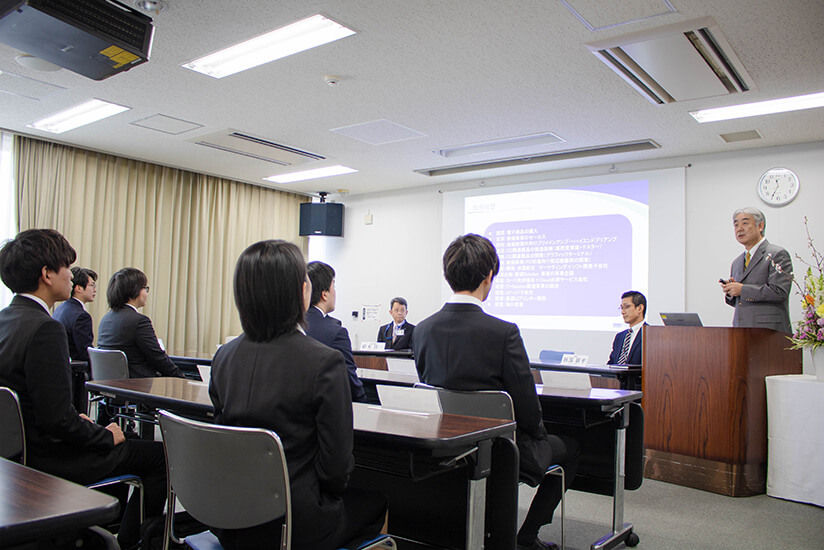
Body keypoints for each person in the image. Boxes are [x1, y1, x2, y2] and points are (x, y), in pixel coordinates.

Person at [209, 240, 386, 550]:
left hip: (231, 517)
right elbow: (336, 470)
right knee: (378, 500)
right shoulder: (324, 362)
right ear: (303, 292)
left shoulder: (224, 357)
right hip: (295, 525)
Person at [0, 229, 166, 549]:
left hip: (17, 456)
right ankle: (133, 542)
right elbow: (57, 422)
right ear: (47, 274)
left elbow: (38, 404)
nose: (70, 275)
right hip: (49, 460)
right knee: (158, 456)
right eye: (66, 267)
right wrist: (105, 435)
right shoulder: (45, 329)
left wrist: (78, 419)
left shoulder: (7, 320)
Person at [413, 234, 578, 550]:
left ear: (448, 275)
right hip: (501, 451)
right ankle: (527, 535)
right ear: (489, 276)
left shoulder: (422, 330)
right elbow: (526, 407)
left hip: (447, 448)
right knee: (571, 448)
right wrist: (539, 437)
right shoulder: (504, 333)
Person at [97, 268, 184, 378]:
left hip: (110, 383)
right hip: (137, 383)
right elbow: (157, 357)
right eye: (145, 288)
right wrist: (181, 377)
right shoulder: (139, 321)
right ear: (134, 290)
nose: (147, 293)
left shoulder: (106, 319)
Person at [721, 207, 793, 334]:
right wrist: (731, 291)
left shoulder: (777, 254)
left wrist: (742, 289)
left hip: (769, 332)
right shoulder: (737, 262)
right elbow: (742, 301)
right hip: (740, 330)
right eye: (736, 225)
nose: (739, 229)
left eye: (745, 223)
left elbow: (779, 292)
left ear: (760, 226)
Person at [305, 261, 366, 402]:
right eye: (334, 286)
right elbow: (349, 381)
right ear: (324, 294)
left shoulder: (290, 325)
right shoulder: (336, 333)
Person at [53, 267, 98, 362]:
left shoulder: (60, 308)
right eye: (92, 285)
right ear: (79, 288)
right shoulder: (81, 316)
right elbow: (86, 353)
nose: (95, 290)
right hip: (77, 368)